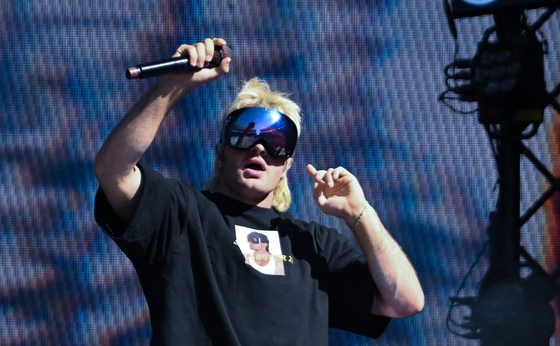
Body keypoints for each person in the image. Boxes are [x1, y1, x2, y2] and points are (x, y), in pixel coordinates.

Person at [94, 37, 424, 345]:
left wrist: (360, 214)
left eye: (277, 141)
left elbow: (405, 300)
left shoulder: (316, 246)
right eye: (245, 134)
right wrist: (173, 86)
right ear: (221, 152)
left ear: (287, 167)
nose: (260, 149)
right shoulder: (181, 215)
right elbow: (115, 171)